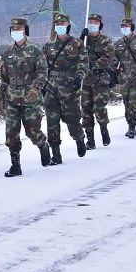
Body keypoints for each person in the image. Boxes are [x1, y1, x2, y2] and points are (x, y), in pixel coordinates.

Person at [0, 17, 51, 177]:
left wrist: (36, 88)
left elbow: (43, 73)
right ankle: (16, 166)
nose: (15, 32)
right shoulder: (7, 53)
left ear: (25, 31)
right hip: (13, 99)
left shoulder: (35, 51)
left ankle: (43, 145)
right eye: (13, 30)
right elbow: (4, 77)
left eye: (18, 29)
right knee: (11, 134)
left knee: (32, 132)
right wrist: (4, 98)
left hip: (30, 98)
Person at [42, 12, 88, 164]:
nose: (60, 26)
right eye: (57, 24)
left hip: (70, 88)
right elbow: (42, 66)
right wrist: (42, 84)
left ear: (68, 25)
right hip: (52, 89)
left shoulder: (77, 44)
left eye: (62, 24)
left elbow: (83, 63)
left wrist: (79, 77)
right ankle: (56, 153)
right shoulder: (49, 45)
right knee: (52, 122)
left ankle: (79, 138)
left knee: (72, 120)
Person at [80, 13, 114, 148]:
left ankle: (104, 130)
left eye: (95, 22)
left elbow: (108, 57)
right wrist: (81, 39)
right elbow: (76, 54)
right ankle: (90, 139)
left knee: (99, 108)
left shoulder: (106, 40)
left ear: (100, 25)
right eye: (90, 22)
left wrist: (93, 64)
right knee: (86, 110)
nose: (92, 24)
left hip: (100, 79)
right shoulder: (84, 41)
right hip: (86, 80)